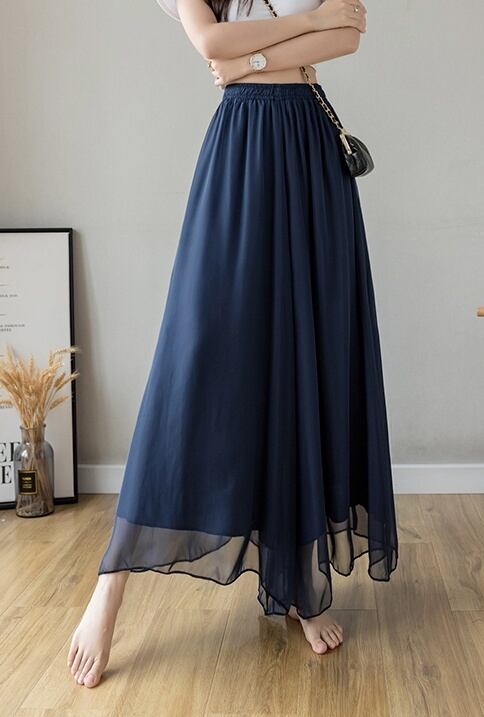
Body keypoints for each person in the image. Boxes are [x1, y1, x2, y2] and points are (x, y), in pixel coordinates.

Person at [67, 0, 398, 688]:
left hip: (312, 158)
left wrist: (252, 58)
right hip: (242, 155)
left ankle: (298, 582)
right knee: (194, 361)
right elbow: (210, 41)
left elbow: (348, 36)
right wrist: (297, 34)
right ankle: (110, 585)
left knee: (307, 356)